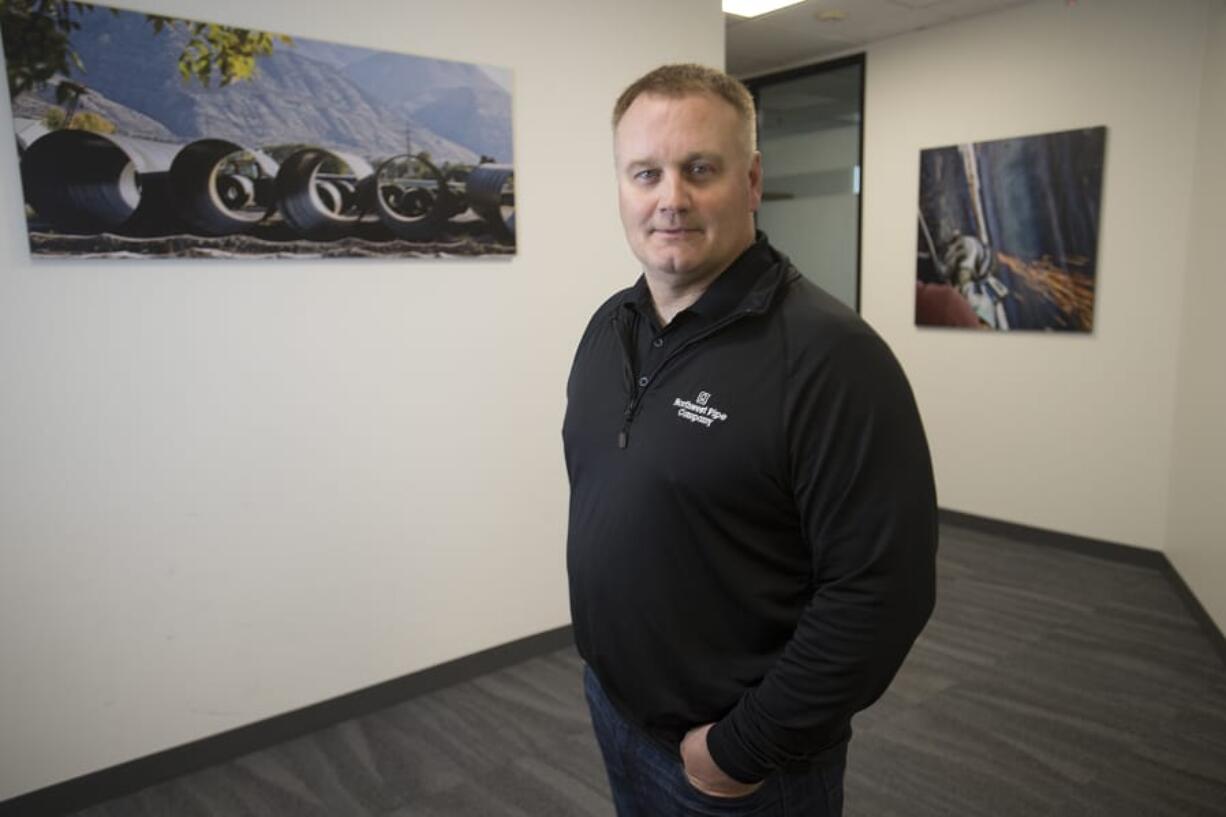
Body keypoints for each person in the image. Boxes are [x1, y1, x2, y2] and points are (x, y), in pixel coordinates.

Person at [563, 63, 938, 816]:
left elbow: (881, 591)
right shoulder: (611, 328)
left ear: (753, 181)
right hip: (615, 712)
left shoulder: (830, 356)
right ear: (621, 187)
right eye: (646, 173)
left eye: (700, 169)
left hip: (741, 763)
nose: (671, 198)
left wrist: (740, 750)